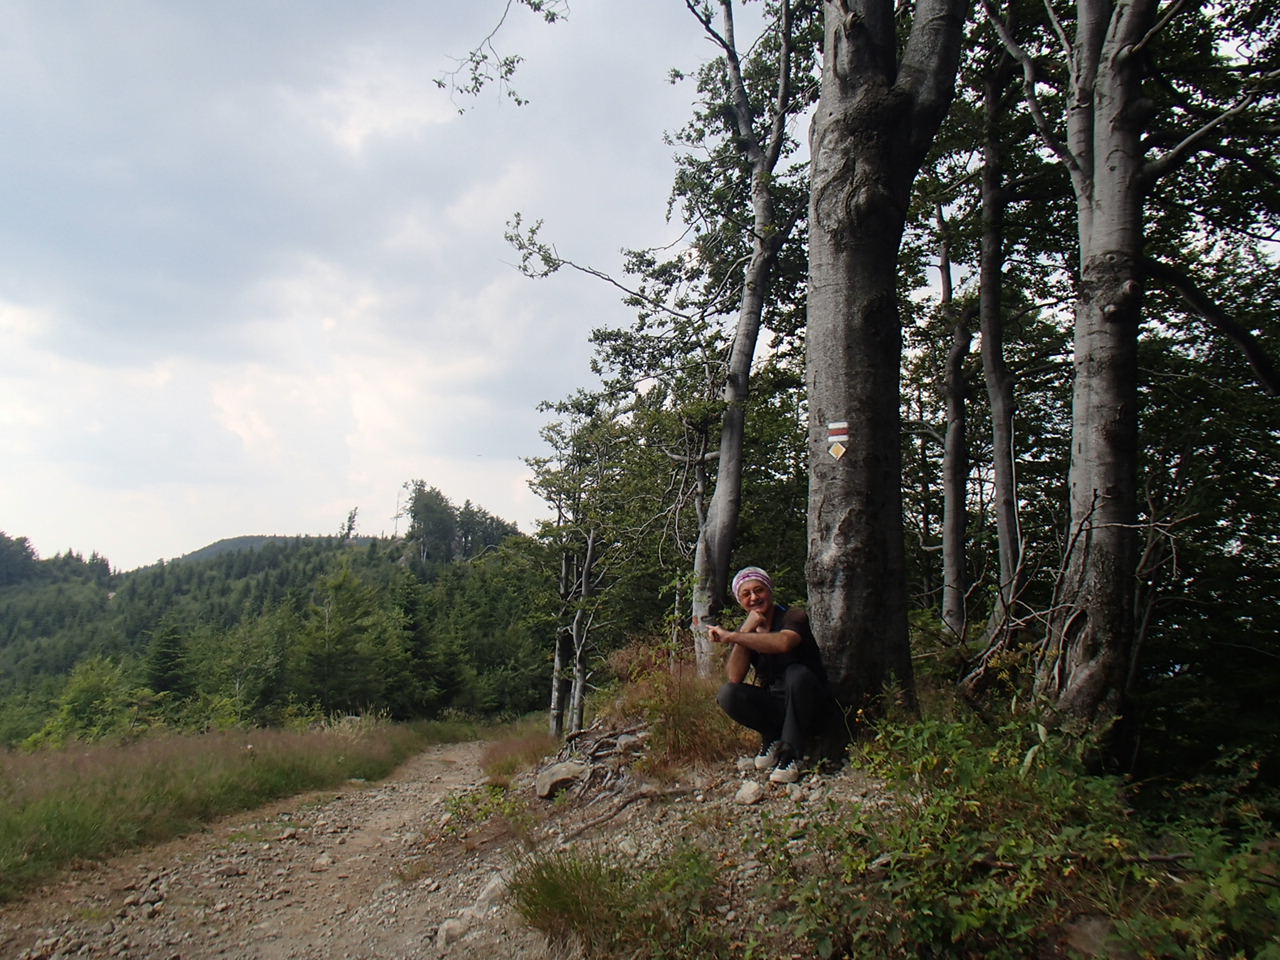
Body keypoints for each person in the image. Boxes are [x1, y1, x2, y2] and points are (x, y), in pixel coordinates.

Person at [709, 566, 828, 784]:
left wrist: (733, 636)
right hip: (778, 704)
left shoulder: (793, 615)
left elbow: (784, 642)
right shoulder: (747, 632)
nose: (754, 597)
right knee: (728, 694)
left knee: (796, 674)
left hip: (810, 701)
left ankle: (791, 755)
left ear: (770, 591)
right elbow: (734, 676)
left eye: (759, 590)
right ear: (740, 601)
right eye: (746, 594)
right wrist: (744, 631)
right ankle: (773, 736)